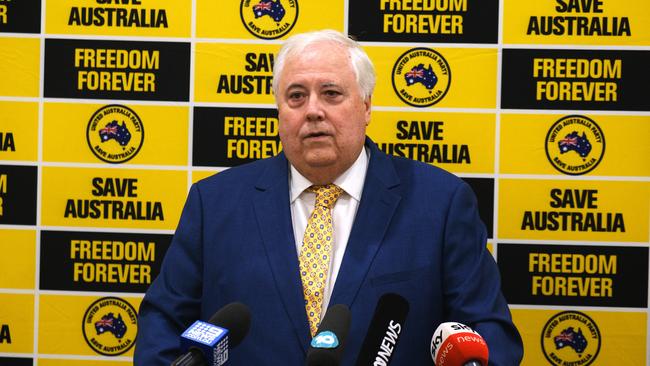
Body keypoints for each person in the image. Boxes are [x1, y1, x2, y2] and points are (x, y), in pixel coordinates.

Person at [135, 29, 523, 365]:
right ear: (279, 110)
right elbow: (162, 326)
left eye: (332, 94)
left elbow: (490, 335)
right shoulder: (214, 203)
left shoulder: (440, 204)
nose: (313, 111)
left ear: (367, 106)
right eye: (296, 97)